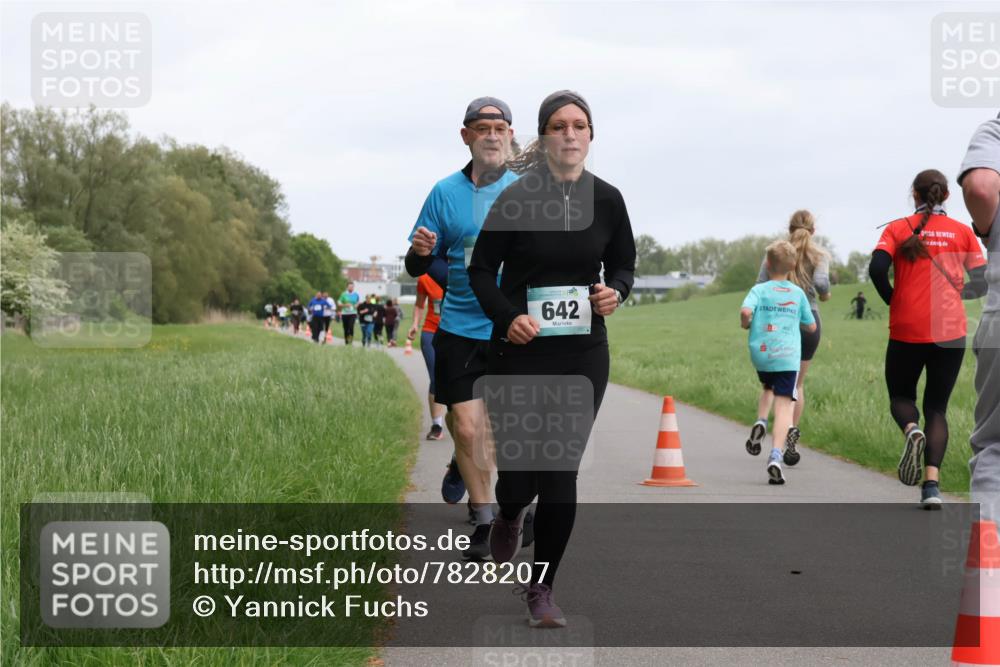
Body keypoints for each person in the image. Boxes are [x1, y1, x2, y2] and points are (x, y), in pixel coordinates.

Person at [469, 90, 636, 628]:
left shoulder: (608, 200)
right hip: (519, 352)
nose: (570, 133)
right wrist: (507, 317)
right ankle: (512, 512)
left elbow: (624, 266)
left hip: (583, 353)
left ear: (590, 136)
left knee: (560, 469)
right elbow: (479, 271)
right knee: (520, 478)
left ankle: (541, 588)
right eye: (559, 125)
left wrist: (617, 292)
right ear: (544, 138)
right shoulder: (515, 198)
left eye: (579, 125)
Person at [406, 96, 522, 560]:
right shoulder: (444, 193)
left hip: (513, 328)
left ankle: (468, 470)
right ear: (466, 136)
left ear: (510, 135)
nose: (492, 135)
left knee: (493, 431)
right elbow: (418, 263)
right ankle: (484, 518)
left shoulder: (529, 192)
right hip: (458, 325)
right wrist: (420, 249)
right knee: (470, 428)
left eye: (500, 127)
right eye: (482, 127)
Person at [869, 169, 987, 508]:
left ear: (915, 195)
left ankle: (910, 430)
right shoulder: (963, 232)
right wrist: (956, 297)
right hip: (949, 331)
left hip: (907, 326)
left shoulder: (896, 228)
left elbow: (877, 269)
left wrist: (894, 298)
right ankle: (931, 486)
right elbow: (981, 282)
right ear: (946, 196)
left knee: (901, 396)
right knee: (937, 407)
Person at [748, 211, 830, 466]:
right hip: (809, 322)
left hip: (776, 323)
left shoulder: (774, 255)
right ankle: (789, 432)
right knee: (797, 384)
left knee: (773, 383)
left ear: (789, 228)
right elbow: (821, 282)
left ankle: (765, 423)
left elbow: (761, 284)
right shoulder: (819, 256)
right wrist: (823, 294)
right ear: (813, 231)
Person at [740, 241, 817, 485]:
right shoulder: (798, 293)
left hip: (762, 353)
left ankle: (761, 420)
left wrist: (746, 324)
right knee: (784, 406)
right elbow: (811, 325)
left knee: (768, 388)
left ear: (767, 263)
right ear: (793, 266)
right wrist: (799, 322)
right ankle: (775, 456)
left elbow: (745, 313)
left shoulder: (759, 290)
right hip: (788, 355)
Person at [958, 114, 1000, 524]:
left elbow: (982, 187)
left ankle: (990, 580)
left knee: (995, 449)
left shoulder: (995, 129)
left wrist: (988, 230)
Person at [409, 274, 449, 441]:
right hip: (431, 331)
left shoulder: (461, 270)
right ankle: (437, 425)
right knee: (436, 377)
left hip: (455, 332)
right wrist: (414, 324)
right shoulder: (425, 278)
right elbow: (419, 305)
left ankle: (460, 418)